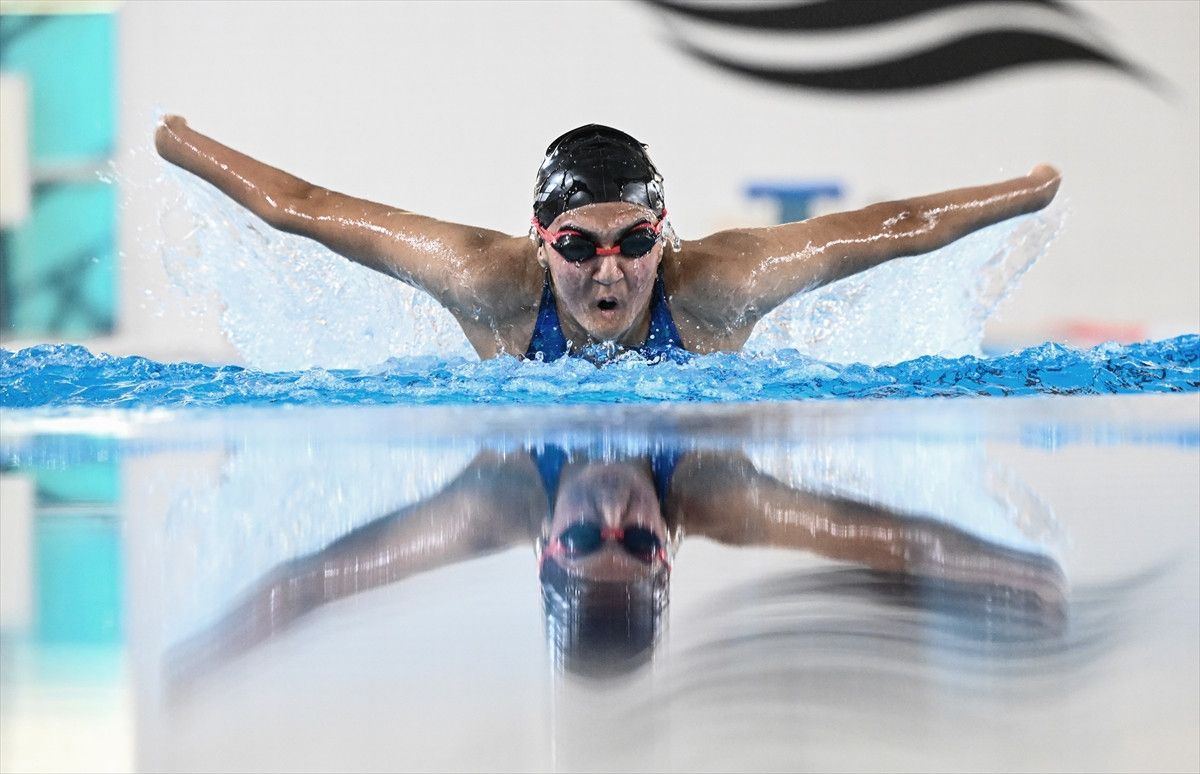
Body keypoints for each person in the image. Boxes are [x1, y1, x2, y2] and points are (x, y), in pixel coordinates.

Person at [155, 117, 1061, 362]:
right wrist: (179, 140)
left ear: (666, 236)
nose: (611, 269)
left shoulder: (718, 285)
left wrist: (1029, 191)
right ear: (539, 242)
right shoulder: (488, 283)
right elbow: (301, 206)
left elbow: (895, 228)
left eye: (634, 241)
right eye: (578, 247)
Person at [165, 445, 1066, 682]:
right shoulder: (724, 498)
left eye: (606, 541)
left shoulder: (489, 508)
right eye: (631, 544)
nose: (613, 518)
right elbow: (897, 545)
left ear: (545, 555)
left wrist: (199, 659)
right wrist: (1017, 575)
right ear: (667, 552)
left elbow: (318, 582)